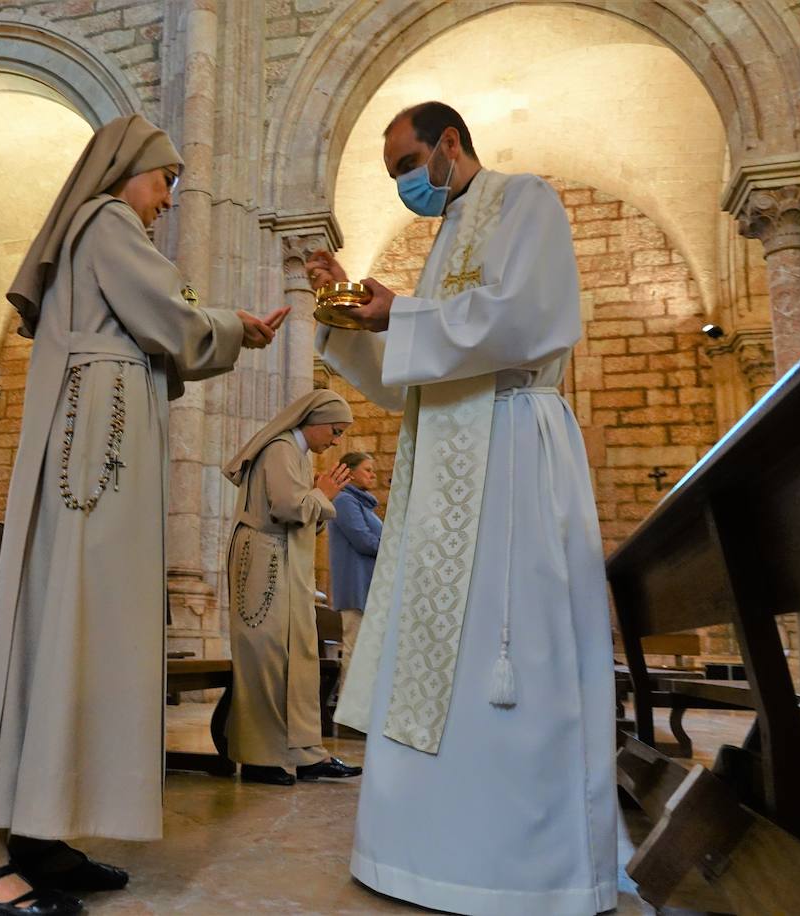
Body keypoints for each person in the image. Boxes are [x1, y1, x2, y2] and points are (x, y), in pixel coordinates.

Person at [0, 114, 289, 916]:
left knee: (89, 635)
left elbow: (165, 324)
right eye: (165, 181)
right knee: (65, 629)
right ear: (127, 169)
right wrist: (239, 328)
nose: (167, 201)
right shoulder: (106, 220)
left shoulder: (108, 232)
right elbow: (176, 319)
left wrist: (220, 329)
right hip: (89, 463)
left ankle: (39, 830)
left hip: (102, 451)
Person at [308, 101, 617, 913]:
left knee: (505, 644)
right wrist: (345, 318)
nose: (405, 183)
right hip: (445, 455)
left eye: (408, 164)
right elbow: (416, 369)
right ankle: (419, 854)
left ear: (450, 143)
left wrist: (401, 312)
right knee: (433, 651)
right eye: (393, 175)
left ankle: (522, 866)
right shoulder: (445, 238)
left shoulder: (526, 201)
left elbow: (523, 319)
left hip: (512, 444)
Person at [221, 389, 365, 787]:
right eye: (334, 431)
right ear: (314, 421)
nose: (336, 440)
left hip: (282, 560)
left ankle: (304, 754)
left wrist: (319, 496)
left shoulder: (295, 454)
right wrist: (324, 495)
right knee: (266, 658)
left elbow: (301, 513)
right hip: (265, 563)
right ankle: (259, 758)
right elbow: (288, 508)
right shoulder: (282, 449)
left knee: (295, 657)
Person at [326, 452, 381, 696]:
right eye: (367, 469)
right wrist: (393, 547)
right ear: (349, 471)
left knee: (367, 651)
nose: (373, 475)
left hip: (368, 586)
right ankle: (350, 711)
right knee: (356, 649)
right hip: (355, 585)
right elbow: (362, 541)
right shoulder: (345, 501)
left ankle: (361, 708)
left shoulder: (362, 503)